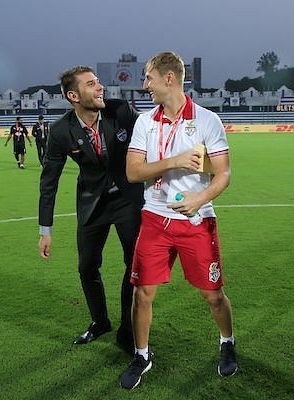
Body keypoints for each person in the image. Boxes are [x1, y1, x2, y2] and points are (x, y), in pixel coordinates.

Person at [119, 51, 238, 390]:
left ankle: (227, 342)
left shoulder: (206, 120)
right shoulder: (145, 122)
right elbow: (132, 172)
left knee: (213, 296)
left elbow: (224, 174)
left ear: (168, 78)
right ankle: (142, 354)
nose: (145, 85)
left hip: (197, 220)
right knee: (142, 292)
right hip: (155, 219)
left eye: (149, 78)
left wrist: (200, 200)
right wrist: (175, 160)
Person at [38, 66, 143, 353]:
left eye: (98, 82)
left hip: (127, 200)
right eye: (91, 84)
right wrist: (45, 230)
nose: (100, 88)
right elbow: (49, 180)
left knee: (133, 264)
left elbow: (153, 135)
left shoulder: (120, 111)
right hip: (92, 203)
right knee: (86, 267)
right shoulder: (61, 131)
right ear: (73, 95)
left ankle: (128, 329)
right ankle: (100, 322)